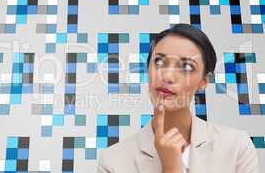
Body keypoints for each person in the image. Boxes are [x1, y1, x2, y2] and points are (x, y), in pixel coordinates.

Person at [96, 23, 260, 173]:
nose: (167, 76)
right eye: (159, 62)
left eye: (187, 66)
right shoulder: (112, 162)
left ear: (203, 81)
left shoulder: (237, 146)